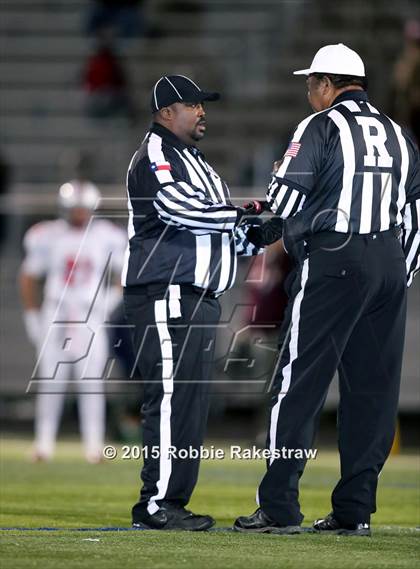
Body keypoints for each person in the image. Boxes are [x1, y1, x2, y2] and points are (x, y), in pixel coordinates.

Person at [234, 44, 420, 536]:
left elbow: (285, 199)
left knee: (299, 382)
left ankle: (277, 506)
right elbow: (416, 214)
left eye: (311, 82)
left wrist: (260, 224)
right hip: (389, 264)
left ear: (326, 84)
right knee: (373, 393)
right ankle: (355, 510)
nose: (308, 91)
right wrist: (400, 272)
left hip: (335, 257)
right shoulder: (400, 135)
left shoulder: (318, 127)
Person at [122, 74, 263, 531]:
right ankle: (155, 503)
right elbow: (174, 206)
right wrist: (242, 216)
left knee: (190, 401)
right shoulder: (157, 154)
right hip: (166, 290)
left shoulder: (198, 161)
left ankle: (173, 501)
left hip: (200, 296)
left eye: (204, 104)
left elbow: (219, 233)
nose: (203, 111)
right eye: (193, 104)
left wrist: (255, 236)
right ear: (166, 113)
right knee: (167, 396)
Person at [20, 180, 127, 463]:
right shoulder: (47, 234)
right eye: (73, 208)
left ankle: (94, 445)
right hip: (56, 311)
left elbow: (122, 275)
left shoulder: (106, 235)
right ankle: (43, 443)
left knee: (91, 382)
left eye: (83, 208)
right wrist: (31, 315)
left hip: (88, 314)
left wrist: (107, 305)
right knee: (50, 382)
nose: (78, 214)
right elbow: (29, 275)